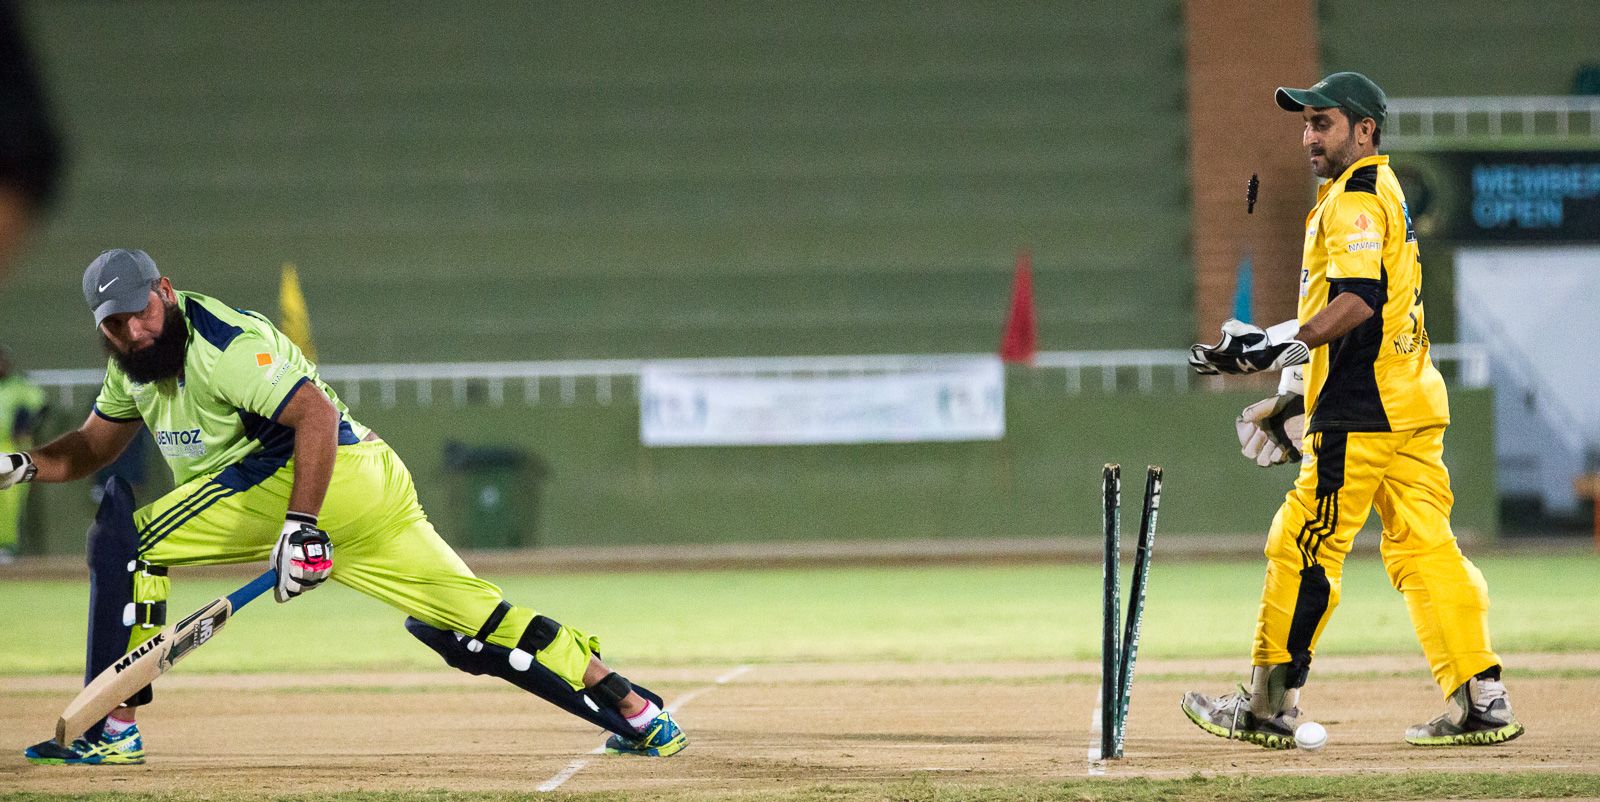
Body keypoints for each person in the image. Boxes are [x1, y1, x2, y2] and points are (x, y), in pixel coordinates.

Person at [2, 249, 686, 765]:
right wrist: (26, 464)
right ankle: (635, 712)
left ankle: (110, 726)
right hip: (371, 488)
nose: (134, 333)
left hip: (309, 478)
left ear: (166, 292)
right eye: (115, 325)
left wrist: (300, 527)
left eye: (141, 313)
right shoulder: (131, 369)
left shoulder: (225, 344)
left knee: (130, 540)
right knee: (469, 626)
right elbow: (91, 447)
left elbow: (315, 415)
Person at [1183, 72, 1522, 749]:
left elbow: (1359, 301)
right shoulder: (1381, 189)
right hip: (1408, 403)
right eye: (1306, 123)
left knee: (1303, 543)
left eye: (1323, 122)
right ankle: (1481, 698)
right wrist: (1298, 394)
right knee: (1427, 550)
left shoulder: (1354, 200)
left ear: (1365, 129)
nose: (1309, 136)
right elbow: (1372, 310)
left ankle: (1267, 707)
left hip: (1364, 411)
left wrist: (1275, 346)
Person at [0, 345, 47, 560]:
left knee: (9, 502)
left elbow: (41, 405)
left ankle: (6, 546)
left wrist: (24, 424)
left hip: (11, 448)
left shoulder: (19, 385)